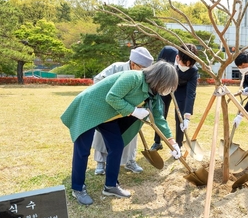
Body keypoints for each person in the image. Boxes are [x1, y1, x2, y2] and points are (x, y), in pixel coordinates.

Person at [61, 61, 182, 206]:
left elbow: (158, 117)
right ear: (159, 79)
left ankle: (111, 186)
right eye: (167, 85)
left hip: (109, 114)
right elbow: (112, 97)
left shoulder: (153, 93)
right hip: (90, 108)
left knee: (116, 145)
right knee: (83, 150)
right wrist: (134, 111)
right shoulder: (133, 78)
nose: (167, 89)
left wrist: (172, 142)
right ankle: (78, 188)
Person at [91, 47, 154, 175]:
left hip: (131, 109)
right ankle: (100, 163)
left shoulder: (142, 75)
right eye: (141, 68)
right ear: (132, 63)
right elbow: (98, 81)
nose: (143, 71)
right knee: (102, 135)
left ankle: (130, 161)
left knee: (131, 133)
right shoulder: (116, 67)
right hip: (109, 107)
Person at [150, 44, 199, 151]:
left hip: (181, 88)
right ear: (178, 57)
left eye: (189, 66)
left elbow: (190, 94)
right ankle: (157, 142)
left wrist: (187, 117)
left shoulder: (193, 71)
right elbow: (156, 71)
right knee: (161, 112)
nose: (186, 66)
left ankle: (179, 145)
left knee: (180, 117)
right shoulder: (167, 52)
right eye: (184, 64)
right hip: (165, 84)